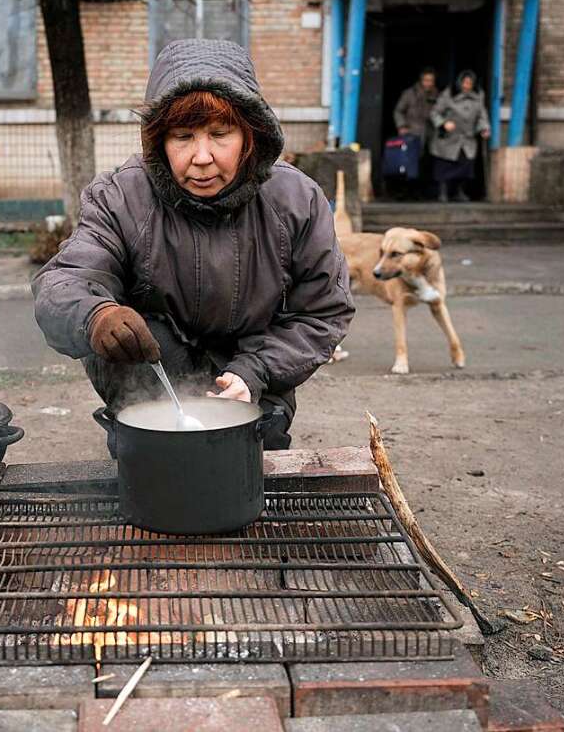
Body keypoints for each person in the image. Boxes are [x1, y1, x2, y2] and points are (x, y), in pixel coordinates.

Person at [32, 39, 355, 454]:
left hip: (255, 375)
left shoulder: (296, 200)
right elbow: (64, 281)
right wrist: (95, 316)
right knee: (158, 460)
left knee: (248, 461)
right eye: (183, 137)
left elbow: (323, 311)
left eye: (220, 134)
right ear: (159, 141)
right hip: (149, 376)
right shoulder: (119, 196)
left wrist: (255, 371)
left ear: (250, 134)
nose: (201, 157)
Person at [429, 70, 490, 202]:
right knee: (445, 165)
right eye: (465, 82)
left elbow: (482, 116)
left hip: (467, 138)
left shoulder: (478, 96)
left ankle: (459, 191)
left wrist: (484, 128)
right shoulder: (448, 94)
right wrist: (443, 123)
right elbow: (435, 112)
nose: (467, 86)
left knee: (465, 165)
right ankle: (443, 192)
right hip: (449, 138)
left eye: (470, 83)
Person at [392, 67, 439, 198]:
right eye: (426, 80)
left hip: (429, 134)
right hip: (412, 133)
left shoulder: (436, 95)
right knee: (409, 164)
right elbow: (398, 111)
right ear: (421, 80)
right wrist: (401, 126)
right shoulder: (409, 94)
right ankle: (405, 191)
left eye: (431, 81)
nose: (428, 83)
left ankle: (422, 192)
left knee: (426, 164)